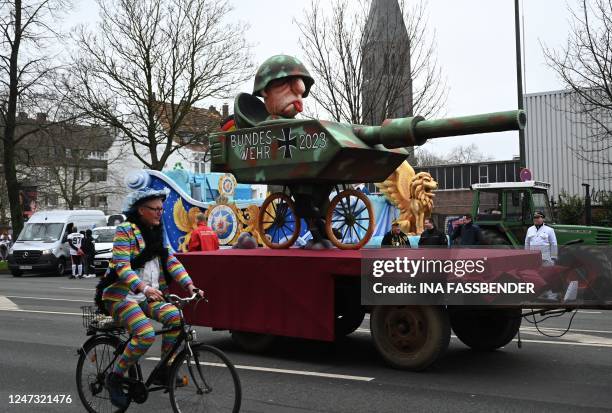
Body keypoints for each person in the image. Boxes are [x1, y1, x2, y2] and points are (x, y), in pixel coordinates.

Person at [101, 187, 204, 409]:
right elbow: (121, 266)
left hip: (147, 296)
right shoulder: (125, 230)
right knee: (145, 334)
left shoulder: (157, 232)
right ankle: (115, 377)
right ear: (141, 210)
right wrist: (143, 288)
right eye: (155, 209)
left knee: (177, 317)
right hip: (122, 297)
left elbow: (171, 261)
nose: (160, 212)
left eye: (161, 208)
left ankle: (164, 371)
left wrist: (190, 285)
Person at [253, 54, 314, 120]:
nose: (300, 89)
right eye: (284, 82)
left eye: (302, 82)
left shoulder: (315, 128)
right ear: (264, 90)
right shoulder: (258, 130)